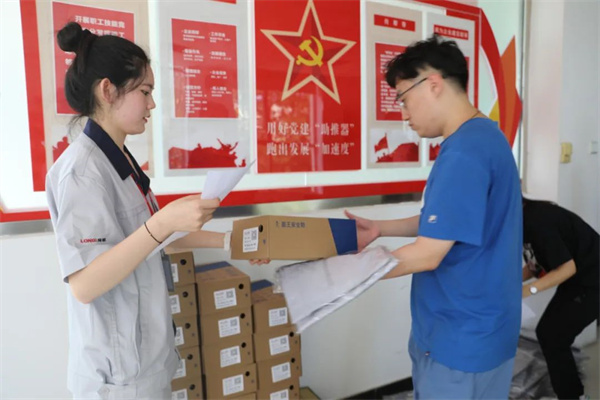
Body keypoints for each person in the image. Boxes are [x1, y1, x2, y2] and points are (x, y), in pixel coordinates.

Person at [46, 22, 226, 399]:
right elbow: (84, 284)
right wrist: (162, 224)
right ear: (107, 90)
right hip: (117, 379)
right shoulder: (82, 172)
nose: (152, 105)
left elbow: (150, 238)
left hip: (147, 360)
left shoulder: (120, 160)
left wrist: (231, 242)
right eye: (145, 91)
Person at [345, 35, 523, 399]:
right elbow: (448, 223)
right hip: (487, 331)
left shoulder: (463, 153)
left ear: (434, 84)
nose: (403, 113)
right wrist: (380, 229)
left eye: (403, 98)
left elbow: (428, 254)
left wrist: (342, 275)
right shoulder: (487, 137)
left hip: (458, 340)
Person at [522, 197, 599, 400]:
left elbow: (566, 268)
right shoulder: (526, 218)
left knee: (552, 335)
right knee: (550, 334)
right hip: (578, 280)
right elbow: (535, 265)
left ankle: (573, 396)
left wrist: (528, 291)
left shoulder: (537, 221)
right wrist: (508, 282)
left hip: (592, 280)